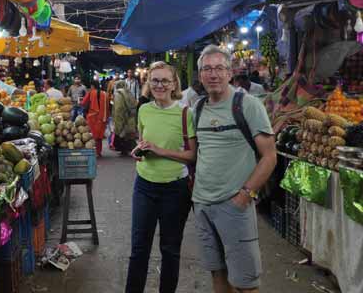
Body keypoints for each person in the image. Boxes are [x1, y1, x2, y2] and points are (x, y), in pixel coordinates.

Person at [193, 45, 277, 293]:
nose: (213, 74)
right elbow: (199, 153)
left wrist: (245, 194)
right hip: (202, 205)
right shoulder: (197, 108)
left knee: (245, 282)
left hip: (233, 205)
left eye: (219, 68)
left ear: (230, 73)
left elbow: (269, 156)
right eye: (207, 69)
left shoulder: (248, 105)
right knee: (218, 273)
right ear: (200, 76)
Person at [125, 61, 196, 293]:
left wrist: (159, 150)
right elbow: (144, 141)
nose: (160, 85)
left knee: (170, 250)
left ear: (174, 83)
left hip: (175, 190)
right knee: (138, 250)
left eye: (165, 80)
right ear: (148, 83)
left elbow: (192, 155)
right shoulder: (144, 109)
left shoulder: (186, 114)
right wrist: (140, 151)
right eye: (155, 80)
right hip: (144, 186)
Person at [82, 80, 108, 157]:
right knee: (99, 137)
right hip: (103, 117)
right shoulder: (105, 93)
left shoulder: (91, 92)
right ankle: (98, 152)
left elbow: (83, 103)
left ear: (92, 86)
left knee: (92, 136)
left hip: (93, 117)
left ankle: (93, 151)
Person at [112, 80, 137, 155]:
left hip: (123, 117)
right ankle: (127, 150)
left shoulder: (118, 94)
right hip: (131, 117)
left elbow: (118, 108)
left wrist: (118, 120)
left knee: (122, 134)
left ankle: (126, 150)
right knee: (129, 136)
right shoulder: (129, 93)